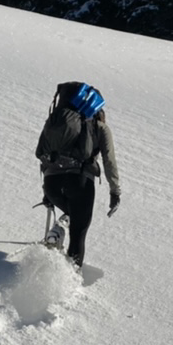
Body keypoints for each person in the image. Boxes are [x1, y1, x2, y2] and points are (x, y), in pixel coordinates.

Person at [37, 84, 121, 269]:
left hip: (51, 183)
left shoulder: (56, 123)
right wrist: (115, 191)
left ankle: (58, 230)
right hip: (80, 182)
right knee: (78, 234)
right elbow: (109, 162)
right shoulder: (100, 128)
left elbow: (43, 155)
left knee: (71, 213)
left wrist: (47, 192)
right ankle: (71, 278)